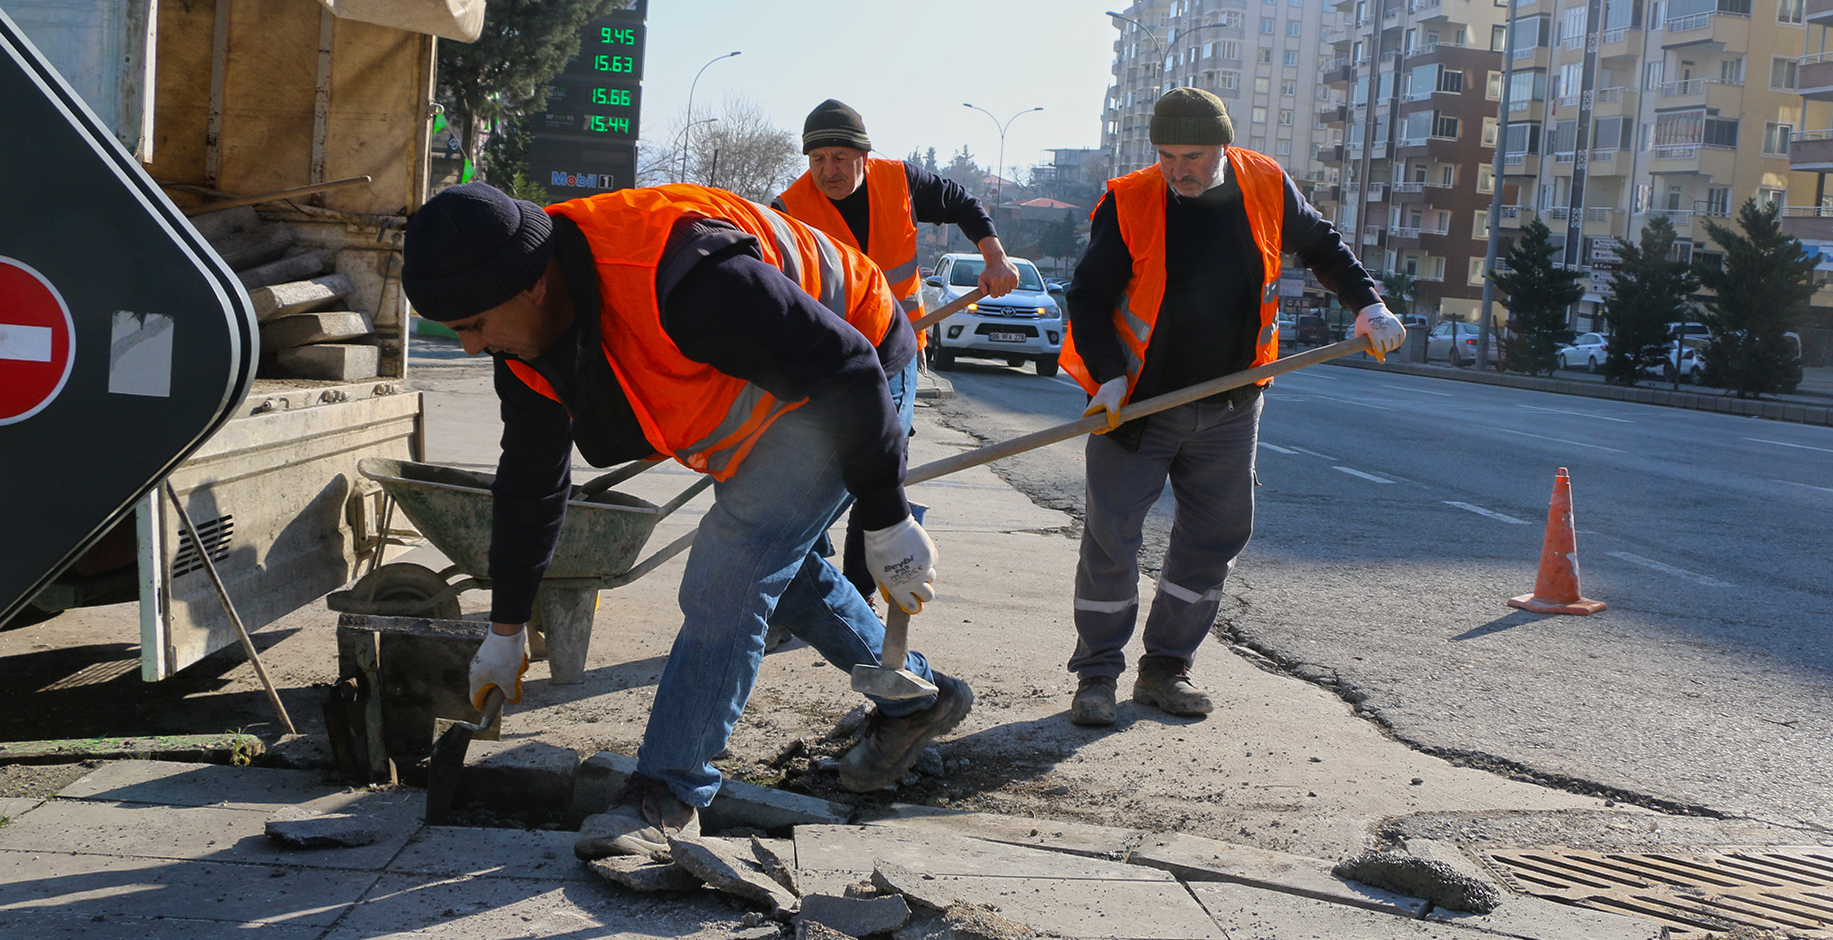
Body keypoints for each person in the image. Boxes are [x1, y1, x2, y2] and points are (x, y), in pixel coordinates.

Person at [399, 182, 974, 859]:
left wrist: (887, 517)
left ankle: (666, 794)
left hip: (857, 368)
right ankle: (918, 700)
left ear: (533, 286)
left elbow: (845, 367)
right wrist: (504, 628)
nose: (469, 347)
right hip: (771, 383)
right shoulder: (522, 348)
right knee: (780, 573)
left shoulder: (686, 280)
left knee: (730, 568)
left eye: (474, 325)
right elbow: (530, 483)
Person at [1057, 87, 1406, 727]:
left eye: (1191, 155)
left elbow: (1322, 245)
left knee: (1217, 533)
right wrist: (1106, 377)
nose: (1177, 169)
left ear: (1224, 145)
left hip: (1232, 402)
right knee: (1111, 540)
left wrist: (1366, 302)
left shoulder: (1265, 183)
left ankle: (1165, 668)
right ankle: (1096, 677)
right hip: (1135, 408)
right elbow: (1087, 297)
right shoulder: (1129, 200)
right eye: (1165, 155)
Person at [773, 99, 1017, 602]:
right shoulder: (788, 210)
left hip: (898, 347)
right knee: (808, 464)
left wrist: (994, 256)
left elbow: (965, 204)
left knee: (881, 457)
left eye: (840, 158)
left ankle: (859, 590)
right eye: (818, 160)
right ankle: (812, 590)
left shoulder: (900, 182)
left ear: (864, 155)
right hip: (826, 358)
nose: (828, 171)